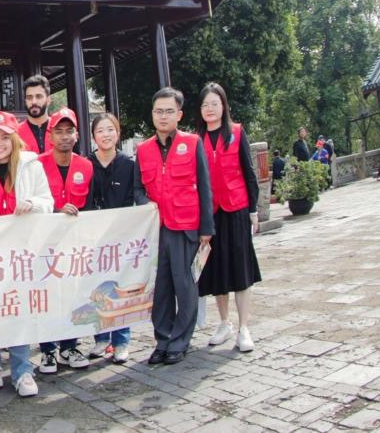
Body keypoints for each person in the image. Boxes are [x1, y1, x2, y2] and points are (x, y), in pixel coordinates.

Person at [0, 110, 51, 397]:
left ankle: (22, 370)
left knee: (18, 309)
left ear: (15, 139)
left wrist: (32, 203)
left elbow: (48, 201)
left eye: (5, 137)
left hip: (20, 252)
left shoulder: (31, 165)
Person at [135, 87, 214, 366]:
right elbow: (137, 189)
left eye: (169, 111)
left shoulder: (193, 143)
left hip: (186, 227)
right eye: (159, 111)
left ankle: (180, 341)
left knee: (185, 287)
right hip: (157, 231)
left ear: (179, 114)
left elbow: (205, 186)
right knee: (161, 290)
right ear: (152, 114)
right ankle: (163, 340)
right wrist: (145, 202)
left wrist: (207, 228)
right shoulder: (143, 149)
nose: (163, 116)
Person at [196, 83, 261, 354]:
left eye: (215, 103)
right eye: (205, 105)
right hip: (211, 215)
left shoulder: (236, 132)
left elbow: (248, 171)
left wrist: (253, 210)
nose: (210, 109)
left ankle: (244, 327)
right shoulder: (196, 140)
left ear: (223, 106)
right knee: (218, 270)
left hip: (236, 209)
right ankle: (224, 323)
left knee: (240, 269)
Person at [36, 107, 93, 373]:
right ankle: (47, 350)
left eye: (69, 131)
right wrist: (56, 212)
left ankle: (70, 346)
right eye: (58, 131)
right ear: (50, 136)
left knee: (73, 295)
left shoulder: (86, 166)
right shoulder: (36, 165)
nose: (64, 137)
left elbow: (91, 206)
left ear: (77, 135)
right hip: (44, 245)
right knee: (46, 296)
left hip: (75, 245)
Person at [86, 112, 140, 363]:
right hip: (94, 238)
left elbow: (136, 196)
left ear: (118, 134)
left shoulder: (129, 164)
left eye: (110, 130)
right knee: (97, 288)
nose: (105, 135)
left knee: (120, 286)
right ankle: (101, 338)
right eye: (100, 130)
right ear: (93, 136)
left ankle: (121, 341)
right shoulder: (87, 164)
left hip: (121, 237)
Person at [18, 75, 53, 155]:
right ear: (25, 101)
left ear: (48, 100)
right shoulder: (16, 133)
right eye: (29, 98)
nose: (34, 102)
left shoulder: (58, 129)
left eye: (39, 96)